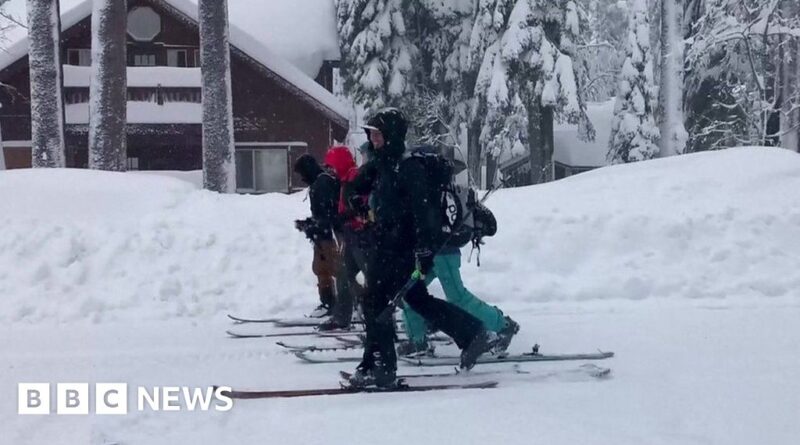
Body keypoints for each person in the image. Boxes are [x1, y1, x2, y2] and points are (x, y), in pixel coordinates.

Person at [346, 108, 497, 388]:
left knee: (376, 302)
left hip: (400, 250)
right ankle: (473, 332)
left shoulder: (409, 168)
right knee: (417, 301)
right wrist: (355, 196)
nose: (374, 139)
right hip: (385, 246)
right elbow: (355, 185)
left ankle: (379, 365)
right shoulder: (382, 164)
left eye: (378, 134)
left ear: (391, 136)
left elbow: (423, 214)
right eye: (372, 134)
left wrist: (424, 252)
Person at [317, 146, 372, 331]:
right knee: (343, 275)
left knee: (374, 279)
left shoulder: (355, 176)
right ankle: (342, 317)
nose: (330, 170)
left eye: (332, 165)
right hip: (351, 235)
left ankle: (389, 316)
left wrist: (345, 216)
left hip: (362, 237)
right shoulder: (343, 179)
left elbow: (362, 205)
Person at [293, 154, 340, 318]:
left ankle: (337, 303)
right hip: (322, 234)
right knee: (323, 269)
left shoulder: (322, 183)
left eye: (302, 174)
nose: (302, 179)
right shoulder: (319, 182)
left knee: (333, 269)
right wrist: (309, 224)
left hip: (328, 234)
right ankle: (331, 302)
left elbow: (327, 213)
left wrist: (311, 225)